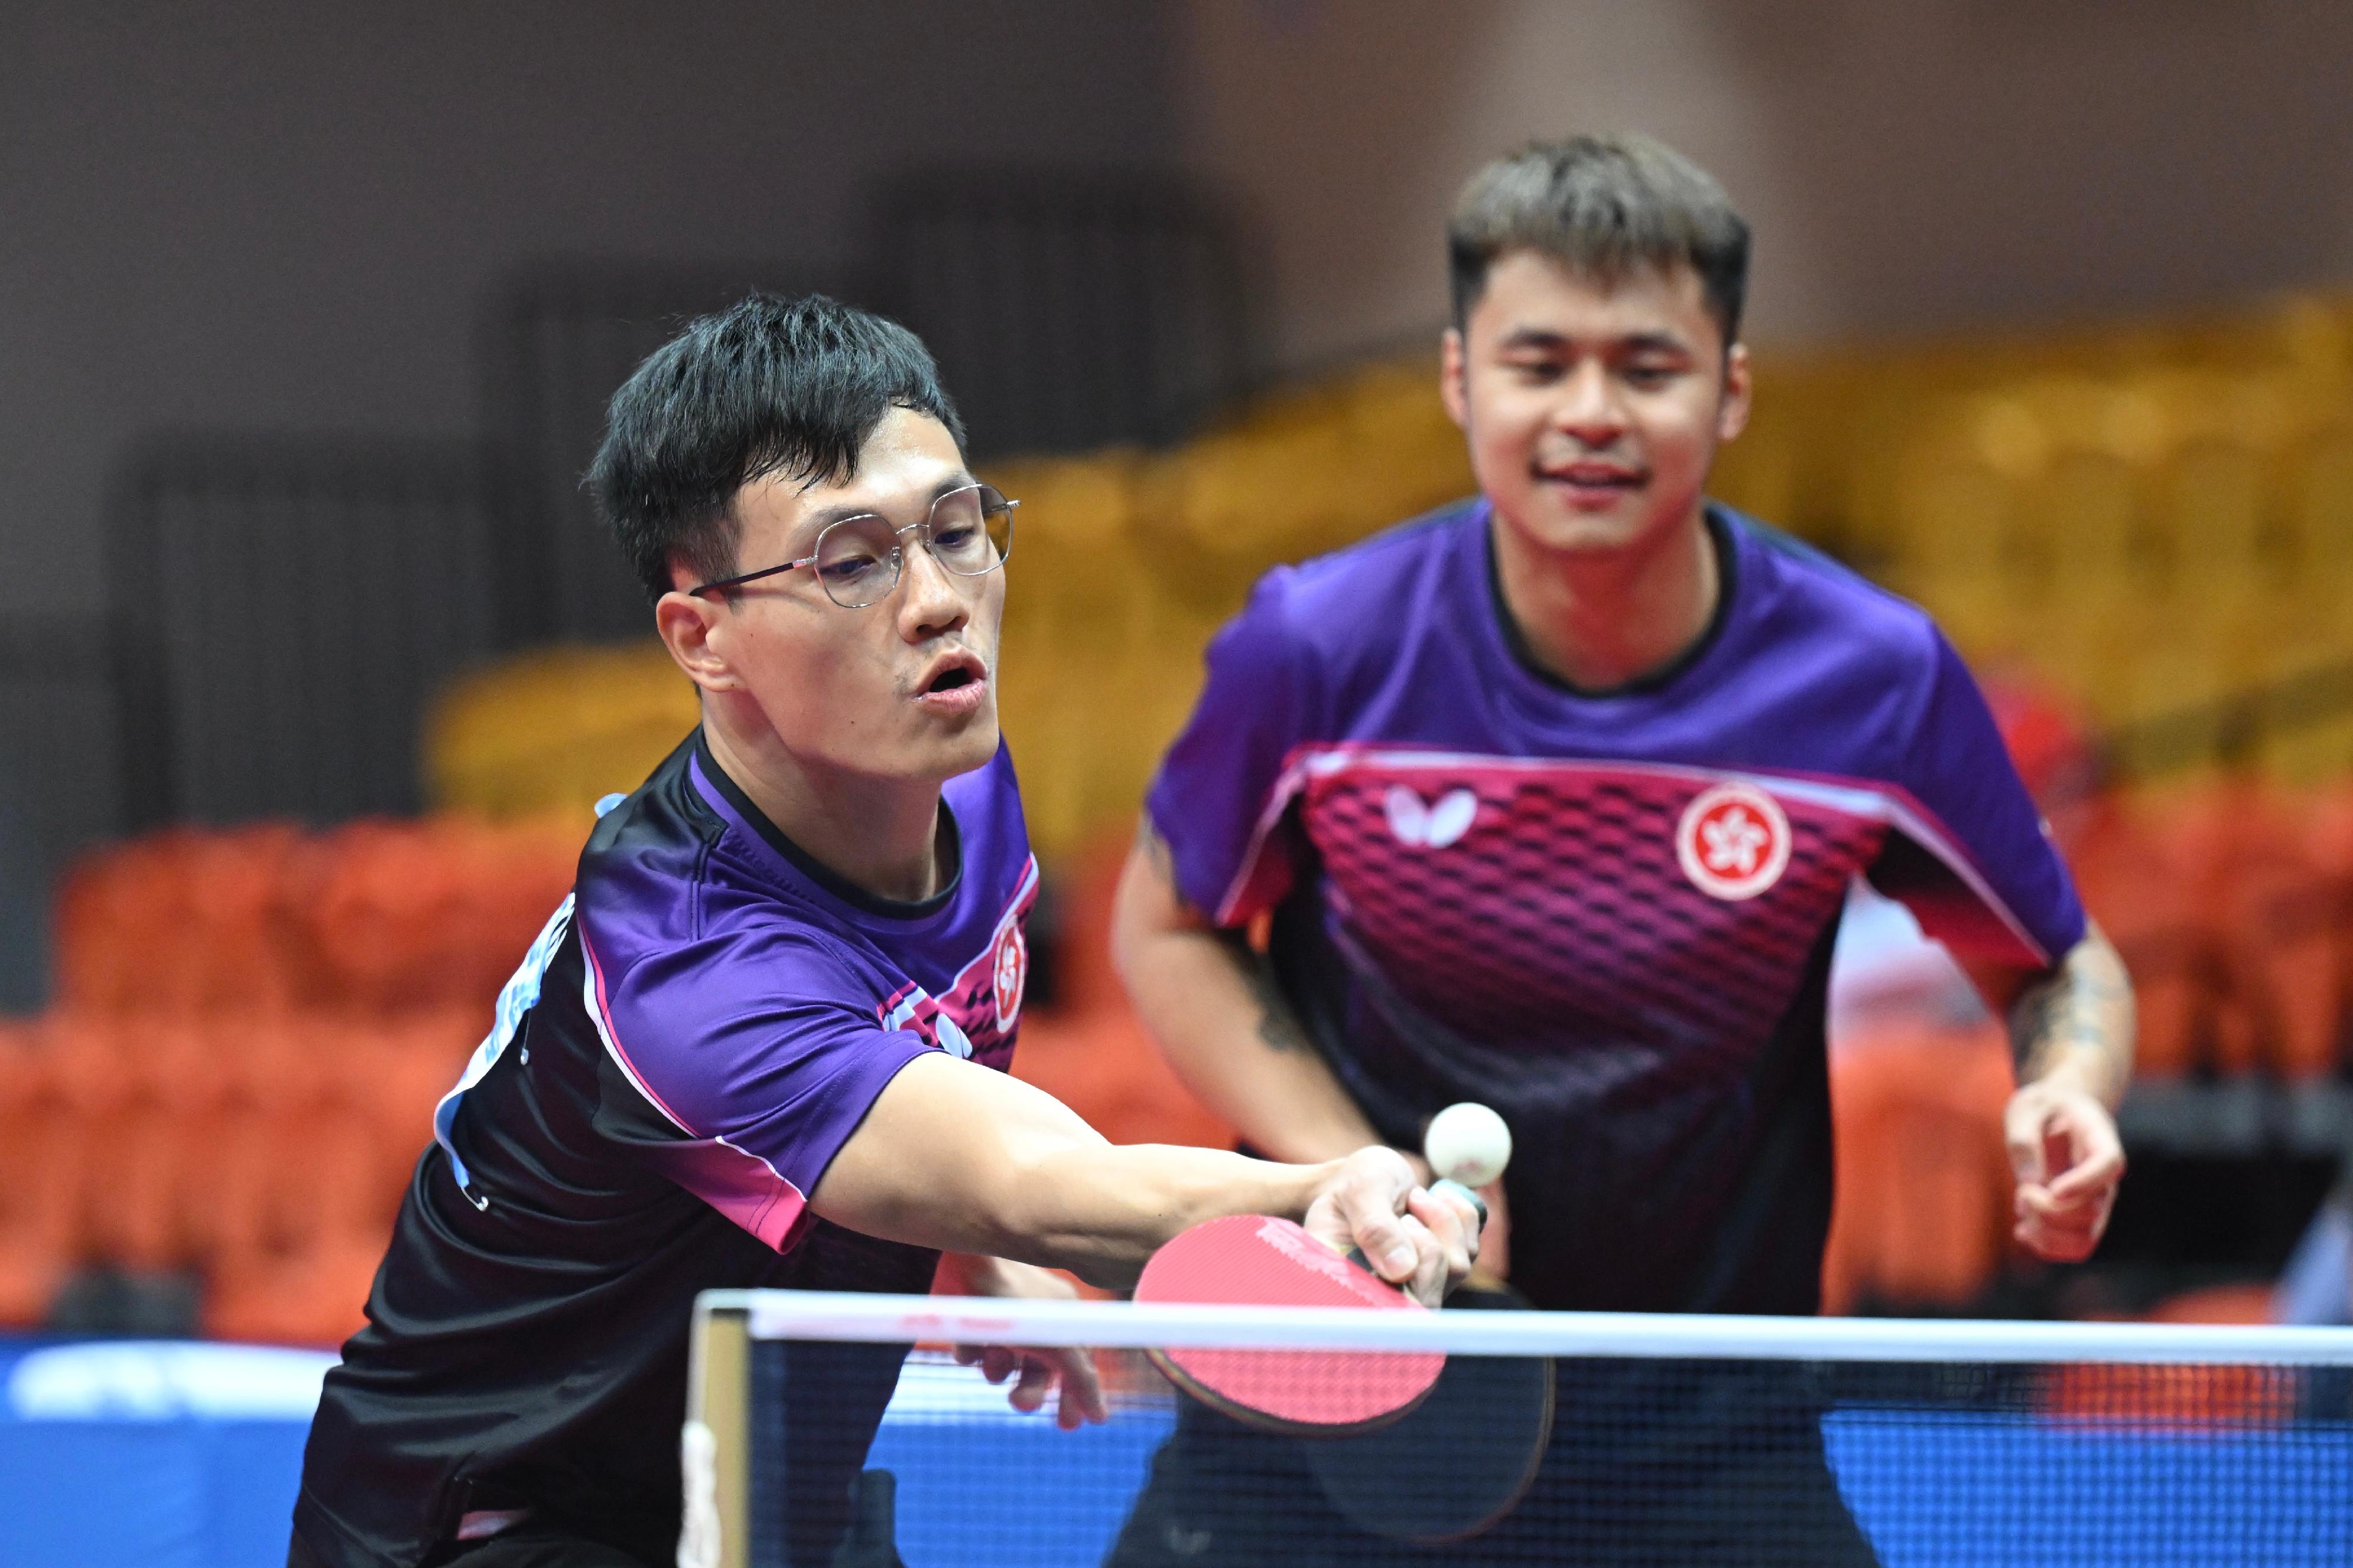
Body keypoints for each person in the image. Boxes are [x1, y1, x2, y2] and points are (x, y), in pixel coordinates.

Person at [286, 294, 1478, 1568]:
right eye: (849, 561)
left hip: (751, 1490)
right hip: (496, 1526)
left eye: (957, 531)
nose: (935, 602)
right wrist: (1319, 1191)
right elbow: (1044, 1182)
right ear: (702, 637)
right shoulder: (692, 964)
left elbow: (913, 1063)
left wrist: (967, 1252)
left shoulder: (961, 776)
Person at [1107, 135, 2135, 1565]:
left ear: (1728, 390)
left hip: (1704, 1420)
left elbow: (2051, 958)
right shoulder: (1318, 648)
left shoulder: (1869, 682)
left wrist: (2066, 1084)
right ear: (1462, 380)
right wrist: (1354, 1169)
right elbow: (1164, 924)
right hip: (1343, 1374)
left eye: (1645, 367)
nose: (1588, 411)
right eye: (1539, 362)